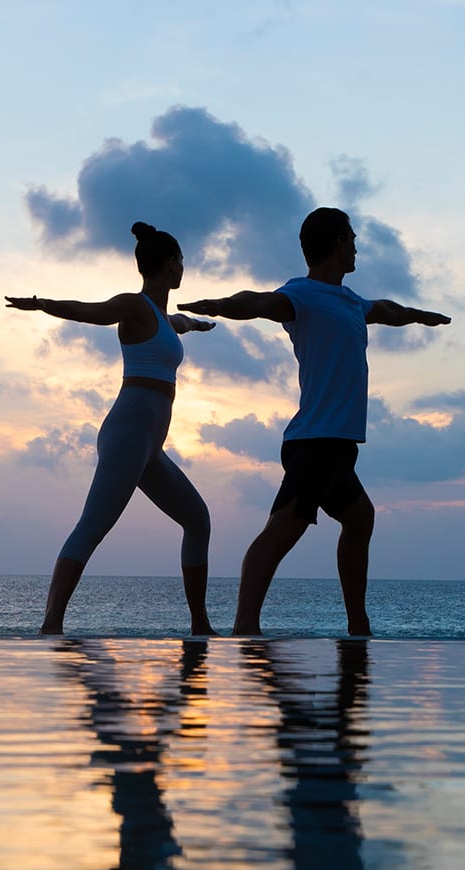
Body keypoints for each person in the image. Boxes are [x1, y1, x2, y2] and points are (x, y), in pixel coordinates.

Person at [181, 207, 449, 636]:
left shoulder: (350, 301)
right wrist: (221, 305)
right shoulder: (301, 295)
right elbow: (258, 301)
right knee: (282, 530)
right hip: (315, 441)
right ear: (337, 243)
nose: (357, 245)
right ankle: (245, 626)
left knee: (360, 519)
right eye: (352, 237)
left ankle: (358, 624)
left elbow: (384, 308)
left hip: (337, 444)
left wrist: (418, 315)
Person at [7, 222, 220, 636]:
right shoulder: (135, 306)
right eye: (181, 262)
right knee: (93, 526)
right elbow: (89, 312)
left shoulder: (160, 317)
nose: (184, 269)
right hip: (128, 433)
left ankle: (200, 625)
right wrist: (43, 304)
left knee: (197, 519)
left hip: (148, 444)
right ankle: (51, 624)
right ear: (171, 263)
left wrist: (199, 324)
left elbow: (178, 323)